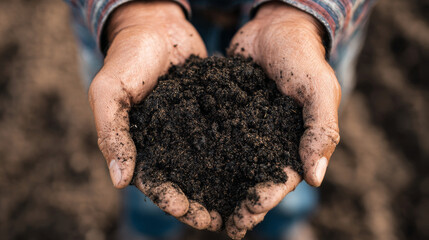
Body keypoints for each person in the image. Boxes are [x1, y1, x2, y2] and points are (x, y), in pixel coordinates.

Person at [65, 0, 376, 239]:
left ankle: (285, 223)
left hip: (306, 28)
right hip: (133, 27)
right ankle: (148, 227)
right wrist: (135, 15)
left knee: (301, 147)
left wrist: (300, 16)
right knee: (136, 151)